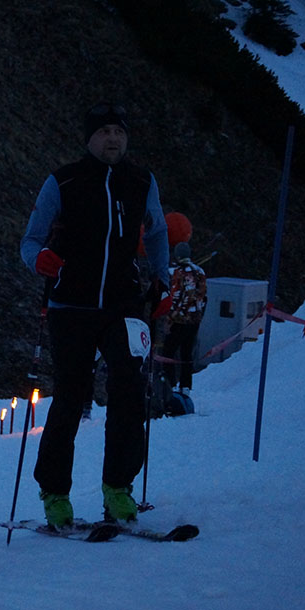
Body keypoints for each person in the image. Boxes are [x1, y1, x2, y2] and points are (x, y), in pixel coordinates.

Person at [20, 102, 170, 527]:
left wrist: (162, 280)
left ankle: (118, 488)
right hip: (71, 304)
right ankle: (55, 493)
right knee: (71, 397)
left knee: (129, 391)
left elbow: (158, 232)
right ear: (89, 139)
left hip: (124, 304)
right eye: (104, 132)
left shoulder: (141, 181)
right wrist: (40, 260)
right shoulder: (63, 181)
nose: (113, 139)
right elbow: (30, 241)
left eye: (119, 132)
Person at [160, 242, 207, 396]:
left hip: (179, 320)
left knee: (168, 353)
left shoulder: (178, 273)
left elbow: (176, 298)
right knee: (187, 354)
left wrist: (169, 319)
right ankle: (186, 387)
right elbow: (203, 297)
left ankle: (171, 386)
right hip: (194, 320)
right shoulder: (200, 272)